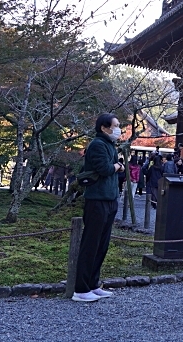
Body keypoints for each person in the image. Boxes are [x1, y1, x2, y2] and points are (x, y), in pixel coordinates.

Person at [72, 113, 124, 302]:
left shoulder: (110, 144)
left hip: (109, 199)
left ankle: (93, 284)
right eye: (115, 125)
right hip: (97, 200)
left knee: (102, 245)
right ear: (104, 127)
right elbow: (104, 168)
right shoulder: (97, 144)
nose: (118, 129)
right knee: (91, 244)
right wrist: (118, 167)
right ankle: (81, 288)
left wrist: (116, 166)